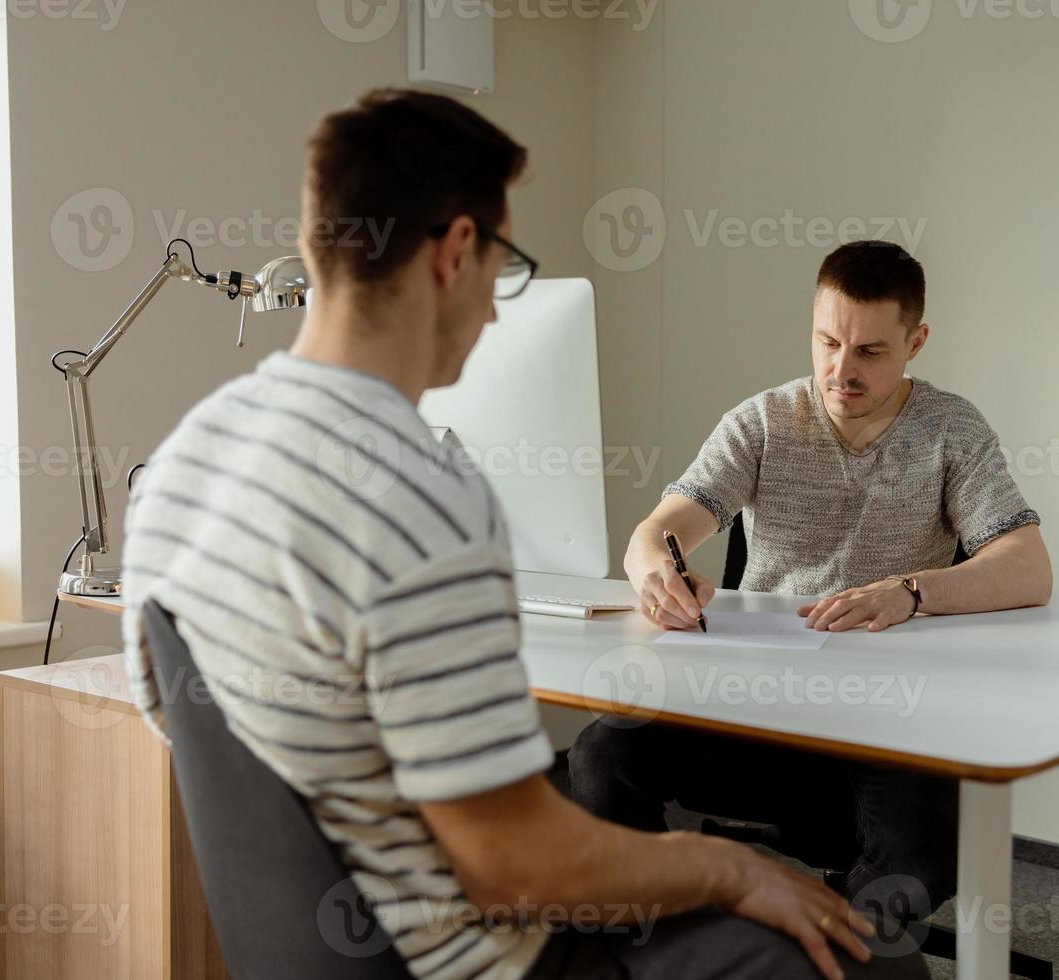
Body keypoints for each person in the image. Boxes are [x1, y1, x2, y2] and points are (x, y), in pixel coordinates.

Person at [120, 89, 928, 980]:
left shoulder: (178, 468)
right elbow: (516, 865)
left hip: (317, 951)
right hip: (489, 960)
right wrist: (730, 869)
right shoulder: (418, 494)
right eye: (504, 261)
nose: (498, 307)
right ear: (458, 251)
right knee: (877, 966)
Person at [571, 240, 1052, 921]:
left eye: (869, 353)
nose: (840, 370)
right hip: (760, 705)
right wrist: (657, 570)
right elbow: (659, 532)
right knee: (600, 756)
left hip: (891, 715)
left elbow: (1028, 567)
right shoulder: (765, 421)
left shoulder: (951, 431)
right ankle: (689, 942)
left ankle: (813, 952)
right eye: (827, 342)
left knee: (922, 856)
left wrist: (909, 591)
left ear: (916, 342)